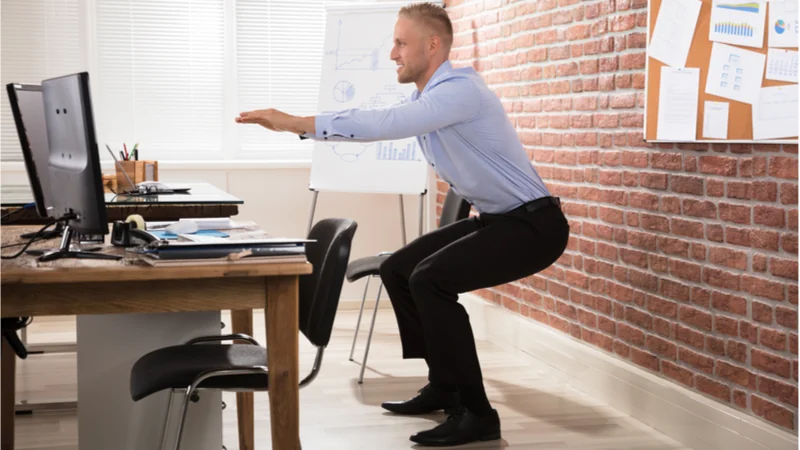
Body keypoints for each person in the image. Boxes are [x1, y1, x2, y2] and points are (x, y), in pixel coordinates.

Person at [236, 2, 570, 446]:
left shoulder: (460, 92)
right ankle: (445, 385)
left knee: (431, 279)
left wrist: (296, 123)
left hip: (535, 226)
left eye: (400, 42)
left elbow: (386, 123)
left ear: (432, 45)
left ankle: (477, 412)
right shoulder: (431, 98)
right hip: (499, 219)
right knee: (400, 268)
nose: (392, 53)